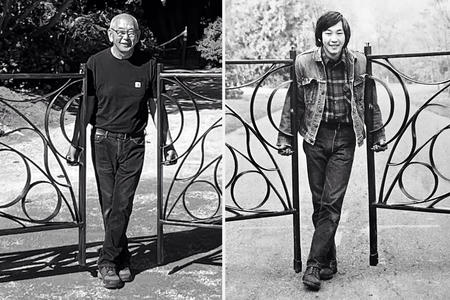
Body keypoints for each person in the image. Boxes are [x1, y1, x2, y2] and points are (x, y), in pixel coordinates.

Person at [277, 11, 387, 291]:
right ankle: (329, 261)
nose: (334, 38)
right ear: (320, 36)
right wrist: (286, 138)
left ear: (345, 36)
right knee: (319, 202)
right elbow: (294, 102)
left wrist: (377, 134)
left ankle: (313, 264)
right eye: (328, 33)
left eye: (339, 33)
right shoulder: (304, 62)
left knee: (331, 202)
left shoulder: (359, 62)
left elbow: (369, 100)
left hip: (344, 139)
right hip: (314, 137)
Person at [66, 13, 177, 289]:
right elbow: (86, 107)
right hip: (102, 141)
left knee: (123, 202)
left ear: (138, 37)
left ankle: (106, 260)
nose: (126, 37)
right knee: (109, 205)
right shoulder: (96, 63)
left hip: (134, 143)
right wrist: (76, 142)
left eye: (132, 33)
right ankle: (121, 257)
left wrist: (167, 142)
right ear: (110, 35)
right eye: (121, 31)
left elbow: (156, 107)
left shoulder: (148, 65)